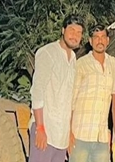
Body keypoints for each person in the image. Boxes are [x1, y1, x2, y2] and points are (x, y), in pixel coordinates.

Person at [29, 15, 84, 162]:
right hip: (45, 129)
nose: (75, 36)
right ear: (63, 30)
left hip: (61, 136)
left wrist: (69, 132)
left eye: (79, 33)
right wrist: (40, 127)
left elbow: (69, 99)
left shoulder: (73, 59)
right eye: (71, 30)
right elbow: (37, 91)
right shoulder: (48, 52)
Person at [70, 24, 115, 162]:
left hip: (102, 137)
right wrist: (69, 133)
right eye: (96, 37)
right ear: (90, 41)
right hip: (80, 134)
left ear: (108, 40)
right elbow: (71, 101)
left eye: (103, 37)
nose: (100, 40)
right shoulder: (81, 64)